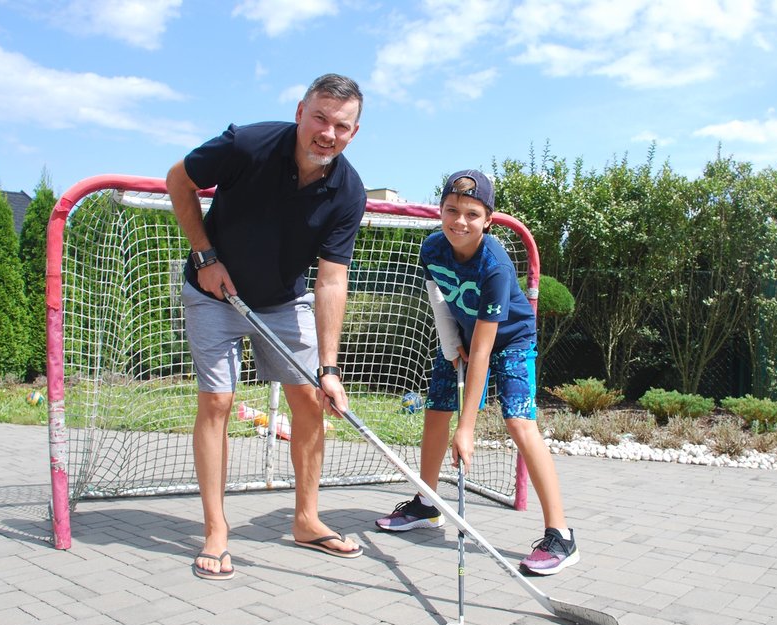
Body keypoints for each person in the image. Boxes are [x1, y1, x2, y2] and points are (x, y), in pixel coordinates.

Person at [167, 74, 367, 580]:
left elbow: (331, 280)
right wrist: (205, 256)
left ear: (353, 132)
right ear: (301, 111)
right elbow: (178, 179)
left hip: (282, 299)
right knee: (218, 402)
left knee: (309, 399)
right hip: (214, 290)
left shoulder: (349, 191)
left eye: (340, 125)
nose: (327, 132)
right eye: (320, 117)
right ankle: (216, 529)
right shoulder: (247, 143)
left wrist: (329, 367)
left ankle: (305, 520)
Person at [375, 170, 579, 576]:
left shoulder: (496, 265)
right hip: (464, 338)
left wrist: (466, 428)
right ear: (440, 211)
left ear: (488, 219)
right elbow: (439, 303)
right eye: (452, 210)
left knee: (519, 424)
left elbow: (485, 351)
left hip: (510, 342)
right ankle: (427, 503)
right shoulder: (432, 248)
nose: (459, 221)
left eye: (471, 213)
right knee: (435, 412)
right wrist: (452, 346)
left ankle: (561, 536)